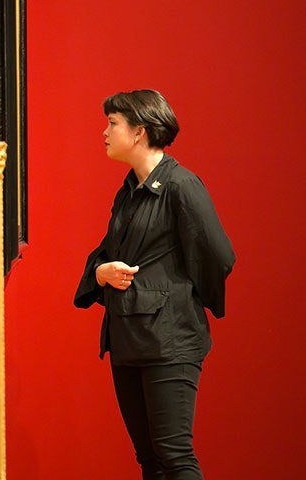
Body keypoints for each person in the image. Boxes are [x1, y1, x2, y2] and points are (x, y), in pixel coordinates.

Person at [74, 89, 235, 480]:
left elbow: (219, 256)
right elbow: (106, 252)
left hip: (169, 341)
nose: (105, 132)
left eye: (113, 123)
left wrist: (175, 299)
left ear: (140, 131)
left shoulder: (181, 186)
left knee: (174, 456)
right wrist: (100, 274)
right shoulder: (129, 190)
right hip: (128, 338)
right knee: (150, 460)